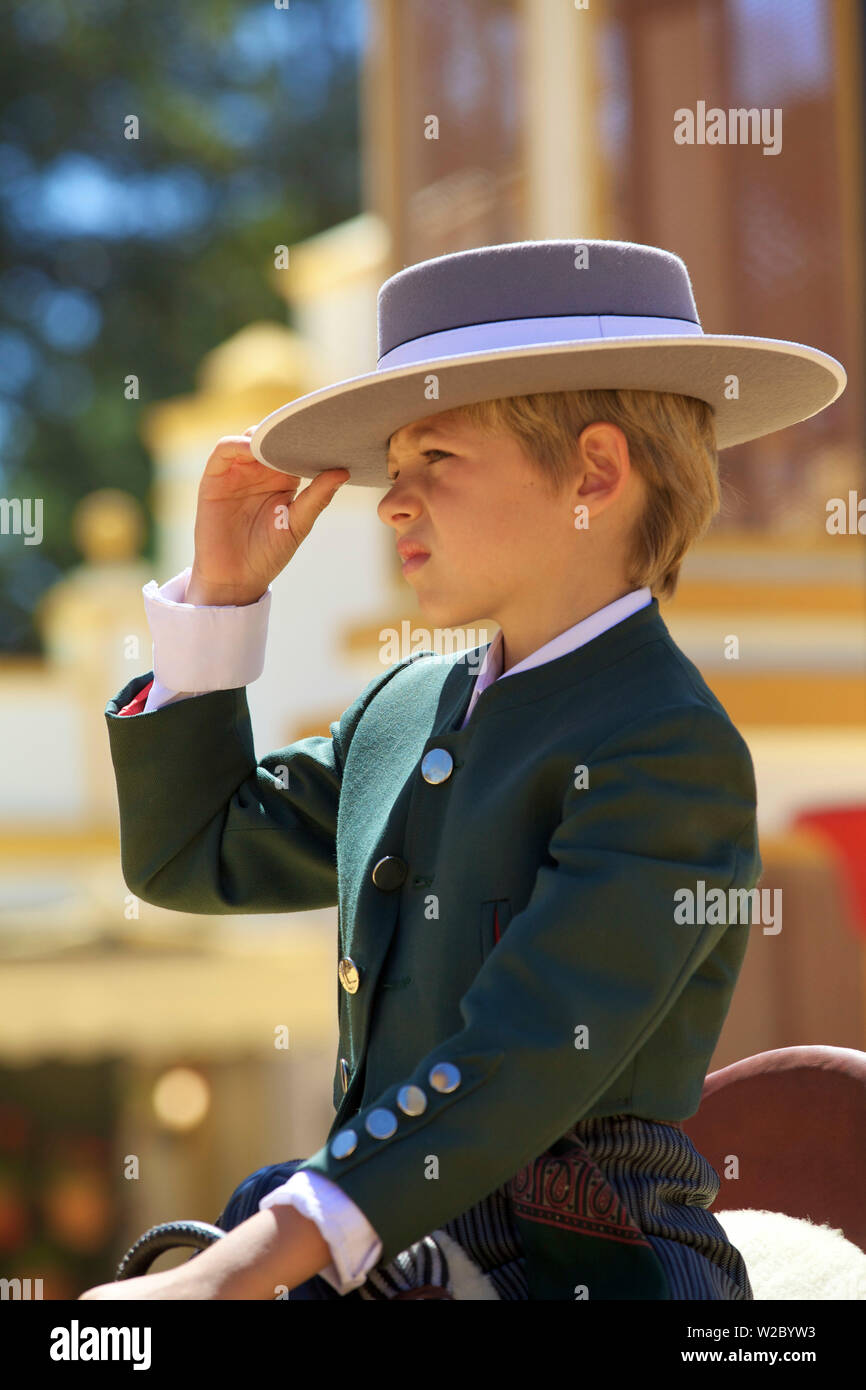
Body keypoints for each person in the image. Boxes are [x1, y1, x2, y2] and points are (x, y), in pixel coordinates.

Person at [81, 238, 845, 1301]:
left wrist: (241, 1266)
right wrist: (218, 599)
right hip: (359, 1230)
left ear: (593, 472)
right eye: (390, 472)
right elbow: (190, 855)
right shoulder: (399, 707)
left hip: (582, 1260)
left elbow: (524, 1050)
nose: (392, 502)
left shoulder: (667, 746)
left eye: (433, 460)